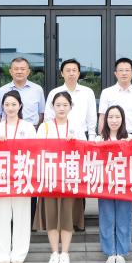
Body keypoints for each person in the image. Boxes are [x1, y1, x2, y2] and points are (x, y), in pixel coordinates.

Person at [45, 58, 98, 232]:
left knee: (77, 180)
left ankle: (77, 220)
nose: (71, 73)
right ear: (62, 73)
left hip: (79, 142)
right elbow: (48, 118)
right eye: (67, 70)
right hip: (57, 143)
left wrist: (90, 142)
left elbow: (92, 120)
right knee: (59, 180)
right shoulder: (55, 93)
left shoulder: (87, 92)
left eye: (74, 70)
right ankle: (59, 219)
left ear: (79, 73)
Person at [98, 58, 132, 231]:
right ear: (115, 73)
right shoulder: (107, 93)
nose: (124, 73)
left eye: (127, 70)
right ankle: (111, 216)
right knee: (112, 176)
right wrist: (102, 138)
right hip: (111, 139)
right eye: (121, 70)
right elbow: (102, 117)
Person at [0, 90, 37, 263]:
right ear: (2, 107)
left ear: (20, 106)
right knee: (1, 216)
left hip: (22, 176)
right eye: (7, 104)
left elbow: (35, 150)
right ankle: (2, 255)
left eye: (14, 104)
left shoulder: (28, 127)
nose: (10, 108)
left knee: (22, 217)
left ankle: (18, 255)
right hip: (1, 176)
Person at [37, 91, 80, 263]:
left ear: (70, 107)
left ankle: (65, 253)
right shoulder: (45, 127)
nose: (61, 108)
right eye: (58, 105)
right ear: (52, 107)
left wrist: (75, 142)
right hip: (49, 177)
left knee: (67, 216)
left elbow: (84, 151)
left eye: (65, 105)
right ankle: (54, 252)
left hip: (69, 178)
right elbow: (37, 151)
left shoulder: (76, 127)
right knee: (52, 216)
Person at [95, 105, 132, 263]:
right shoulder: (99, 140)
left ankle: (121, 253)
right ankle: (110, 252)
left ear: (122, 119)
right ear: (105, 120)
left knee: (124, 218)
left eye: (117, 117)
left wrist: (130, 145)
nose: (114, 120)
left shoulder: (130, 138)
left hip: (124, 185)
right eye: (110, 117)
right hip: (105, 185)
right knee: (107, 218)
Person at [0, 56, 45, 127]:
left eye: (23, 69)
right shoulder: (1, 91)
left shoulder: (37, 90)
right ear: (11, 72)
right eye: (16, 69)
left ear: (28, 72)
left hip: (31, 130)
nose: (19, 72)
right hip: (8, 130)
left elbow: (41, 113)